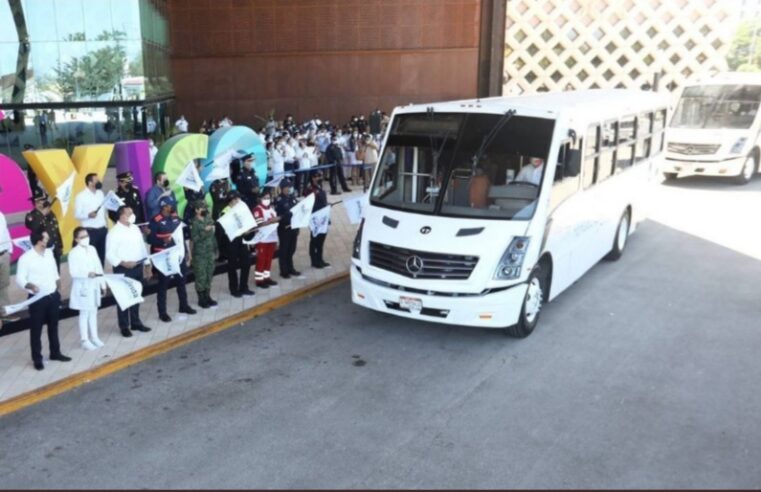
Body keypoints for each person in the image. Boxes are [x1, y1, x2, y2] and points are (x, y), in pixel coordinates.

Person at [15, 230, 71, 370]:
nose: (49, 240)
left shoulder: (49, 253)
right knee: (36, 329)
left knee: (54, 326)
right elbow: (20, 278)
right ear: (39, 240)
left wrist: (58, 285)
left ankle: (55, 352)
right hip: (37, 299)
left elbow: (54, 270)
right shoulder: (26, 258)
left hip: (52, 296)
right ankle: (37, 358)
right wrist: (30, 286)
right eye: (46, 238)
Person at [106, 206, 153, 337]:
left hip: (137, 266)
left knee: (136, 294)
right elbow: (110, 254)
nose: (133, 215)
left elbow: (141, 247)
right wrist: (123, 263)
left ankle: (136, 322)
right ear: (121, 216)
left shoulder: (135, 228)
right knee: (123, 297)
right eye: (129, 213)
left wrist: (147, 264)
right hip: (123, 268)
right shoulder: (114, 232)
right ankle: (124, 326)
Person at [149, 196, 197, 322]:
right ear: (164, 206)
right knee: (163, 285)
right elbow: (150, 240)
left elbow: (181, 237)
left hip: (178, 255)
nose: (174, 207)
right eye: (171, 205)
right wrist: (162, 241)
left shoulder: (176, 218)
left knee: (181, 281)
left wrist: (186, 252)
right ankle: (162, 312)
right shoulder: (155, 220)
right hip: (164, 256)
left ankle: (184, 305)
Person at [68, 226, 106, 350]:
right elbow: (73, 272)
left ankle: (94, 337)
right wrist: (87, 274)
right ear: (76, 239)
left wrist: (102, 284)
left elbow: (98, 266)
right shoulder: (73, 253)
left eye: (86, 236)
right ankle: (84, 339)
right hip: (82, 286)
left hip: (94, 285)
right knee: (84, 312)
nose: (85, 239)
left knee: (93, 311)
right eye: (82, 237)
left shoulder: (92, 249)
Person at [220, 191, 255, 297]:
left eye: (239, 199)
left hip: (242, 241)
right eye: (236, 199)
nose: (238, 201)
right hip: (231, 243)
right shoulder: (224, 212)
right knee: (232, 266)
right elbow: (224, 231)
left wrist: (248, 232)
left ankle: (244, 286)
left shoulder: (240, 210)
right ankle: (234, 289)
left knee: (246, 263)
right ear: (231, 201)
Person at [25, 189, 63, 270]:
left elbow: (55, 229)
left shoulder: (50, 213)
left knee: (56, 272)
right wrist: (42, 214)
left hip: (54, 248)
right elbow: (34, 227)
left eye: (46, 200)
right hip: (43, 249)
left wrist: (60, 245)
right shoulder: (31, 216)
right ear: (37, 202)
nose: (45, 202)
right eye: (43, 200)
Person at [74, 173, 108, 265]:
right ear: (90, 183)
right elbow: (77, 214)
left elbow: (104, 210)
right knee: (91, 257)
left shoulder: (100, 193)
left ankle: (100, 277)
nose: (99, 182)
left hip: (102, 230)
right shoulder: (80, 196)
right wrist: (88, 215)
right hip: (90, 232)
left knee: (102, 256)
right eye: (96, 180)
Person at [189, 200, 217, 308]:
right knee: (201, 276)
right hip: (200, 254)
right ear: (196, 210)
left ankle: (208, 296)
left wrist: (215, 249)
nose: (205, 210)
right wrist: (205, 231)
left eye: (206, 208)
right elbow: (194, 239)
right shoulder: (194, 223)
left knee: (209, 275)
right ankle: (201, 299)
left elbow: (212, 233)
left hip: (210, 252)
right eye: (202, 208)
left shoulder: (208, 218)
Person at [274, 179, 302, 279]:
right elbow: (279, 216)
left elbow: (298, 210)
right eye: (286, 187)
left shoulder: (292, 198)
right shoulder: (279, 200)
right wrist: (288, 215)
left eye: (289, 187)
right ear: (282, 188)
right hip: (284, 228)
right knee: (284, 250)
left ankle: (291, 268)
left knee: (292, 249)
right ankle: (284, 271)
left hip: (293, 227)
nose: (288, 189)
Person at [252, 190, 280, 288]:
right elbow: (259, 224)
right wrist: (271, 221)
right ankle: (259, 280)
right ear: (260, 199)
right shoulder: (257, 209)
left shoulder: (272, 209)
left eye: (268, 198)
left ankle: (266, 277)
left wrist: (276, 240)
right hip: (262, 239)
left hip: (272, 238)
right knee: (261, 259)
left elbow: (276, 223)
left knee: (268, 259)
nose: (267, 200)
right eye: (265, 198)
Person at [305, 172, 330, 268]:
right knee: (315, 240)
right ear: (312, 178)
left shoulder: (320, 187)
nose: (318, 178)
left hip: (323, 217)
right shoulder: (310, 189)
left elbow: (323, 201)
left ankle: (320, 259)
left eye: (320, 176)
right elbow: (310, 203)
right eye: (316, 176)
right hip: (315, 218)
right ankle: (314, 261)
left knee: (321, 240)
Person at [0, 210, 14, 325]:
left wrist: (9, 250)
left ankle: (5, 313)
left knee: (4, 284)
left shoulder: (1, 214)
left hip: (4, 254)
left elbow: (5, 232)